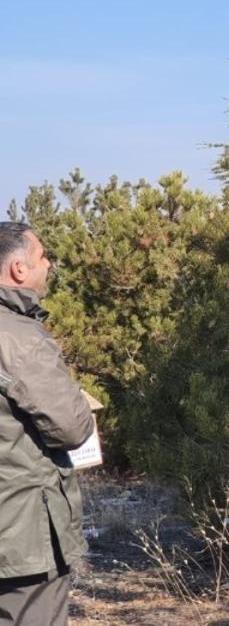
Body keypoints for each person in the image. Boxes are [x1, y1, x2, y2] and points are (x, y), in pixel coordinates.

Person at [0, 222, 95, 625]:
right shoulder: (17, 336)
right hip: (19, 534)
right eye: (42, 258)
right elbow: (71, 427)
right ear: (19, 269)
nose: (49, 264)